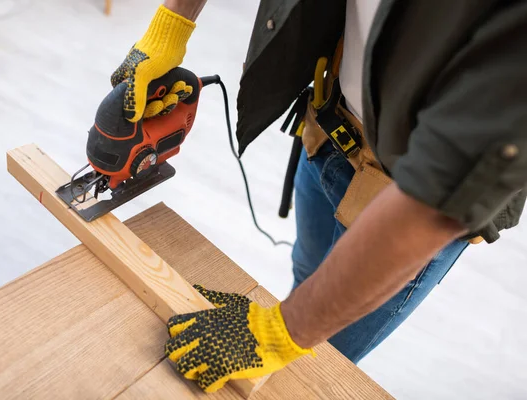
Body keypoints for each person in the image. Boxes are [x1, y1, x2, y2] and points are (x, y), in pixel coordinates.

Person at [110, 0, 527, 393]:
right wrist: (171, 28)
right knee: (307, 271)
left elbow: (440, 198)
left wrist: (279, 335)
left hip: (406, 205)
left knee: (315, 367)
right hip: (327, 130)